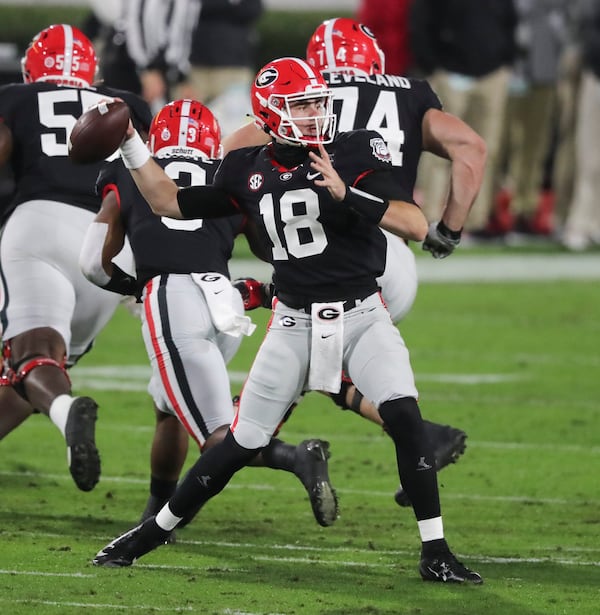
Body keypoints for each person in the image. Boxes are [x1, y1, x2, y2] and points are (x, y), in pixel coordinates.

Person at [93, 56, 483, 584]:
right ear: (271, 113)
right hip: (294, 323)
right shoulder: (243, 169)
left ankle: (435, 551)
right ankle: (149, 534)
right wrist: (133, 143)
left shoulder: (353, 148)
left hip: (364, 314)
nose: (314, 114)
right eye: (301, 106)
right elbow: (167, 200)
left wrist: (349, 194)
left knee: (406, 416)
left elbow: (414, 222)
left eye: (317, 103)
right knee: (237, 445)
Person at [224, 17, 486, 507]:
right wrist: (447, 230)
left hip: (339, 251)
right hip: (393, 254)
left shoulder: (300, 98)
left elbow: (234, 156)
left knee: (299, 347)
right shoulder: (406, 91)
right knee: (320, 355)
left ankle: (250, 440)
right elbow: (470, 147)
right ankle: (417, 435)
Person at [79, 98, 338, 528]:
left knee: (217, 435)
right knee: (169, 406)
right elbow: (265, 243)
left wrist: (134, 286)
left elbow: (92, 261)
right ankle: (158, 513)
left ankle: (296, 458)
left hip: (172, 298)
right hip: (225, 304)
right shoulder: (229, 174)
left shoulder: (131, 168)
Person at [0, 24, 152, 491]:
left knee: (30, 358)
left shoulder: (14, 98)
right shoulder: (132, 105)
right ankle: (62, 406)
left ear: (32, 72)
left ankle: (66, 414)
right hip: (107, 247)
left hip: (39, 225)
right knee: (40, 367)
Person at [409, 0, 517, 234]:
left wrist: (505, 60)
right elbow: (421, 22)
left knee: (487, 150)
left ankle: (476, 221)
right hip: (450, 74)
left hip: (491, 74)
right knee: (439, 151)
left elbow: (509, 22)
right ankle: (431, 216)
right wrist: (433, 67)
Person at [175, 0, 264, 135]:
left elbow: (252, 10)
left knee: (234, 129)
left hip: (233, 67)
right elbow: (188, 10)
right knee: (189, 127)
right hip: (196, 66)